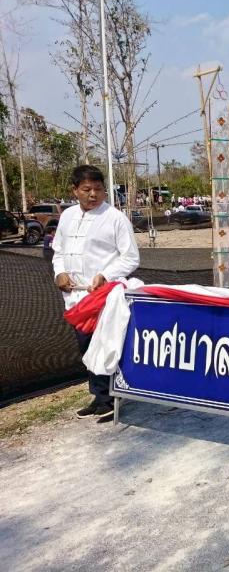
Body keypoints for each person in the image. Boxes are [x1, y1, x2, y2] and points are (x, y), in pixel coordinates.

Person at [53, 165, 140, 422]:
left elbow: (131, 257)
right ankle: (99, 395)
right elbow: (58, 251)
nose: (93, 194)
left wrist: (105, 275)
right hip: (75, 297)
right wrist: (60, 273)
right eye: (86, 189)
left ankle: (110, 399)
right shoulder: (67, 216)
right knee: (86, 347)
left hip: (103, 296)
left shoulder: (115, 218)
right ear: (75, 190)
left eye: (98, 189)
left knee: (104, 346)